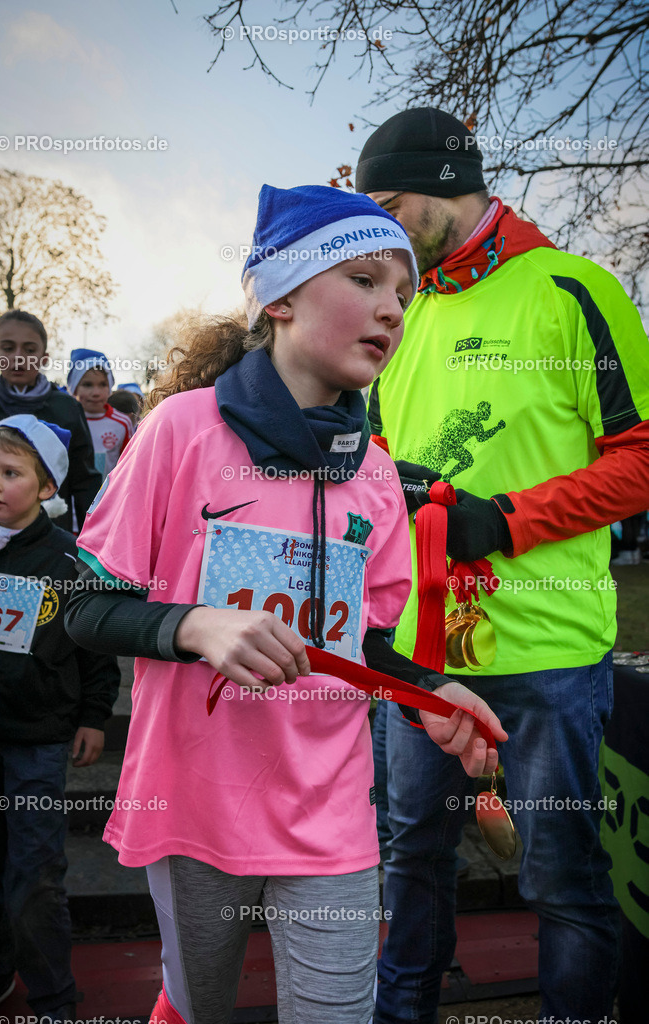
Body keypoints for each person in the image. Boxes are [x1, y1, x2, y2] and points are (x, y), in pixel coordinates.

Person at [64, 183, 507, 1024]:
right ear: (281, 296)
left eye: (403, 295)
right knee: (200, 1008)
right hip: (193, 800)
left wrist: (427, 693)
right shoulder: (180, 431)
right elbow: (84, 607)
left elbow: (363, 644)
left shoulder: (376, 472)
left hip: (331, 810)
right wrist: (194, 623)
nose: (392, 311)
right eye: (366, 281)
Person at [355, 106, 649, 1023]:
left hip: (547, 651)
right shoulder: (400, 315)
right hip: (422, 655)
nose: (381, 228)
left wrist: (506, 520)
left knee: (558, 872)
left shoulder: (570, 288)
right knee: (411, 852)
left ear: (446, 185)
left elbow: (639, 453)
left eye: (390, 204)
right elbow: (385, 475)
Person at [0, 414, 120, 1024]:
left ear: (48, 487)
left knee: (34, 874)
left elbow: (95, 644)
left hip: (40, 738)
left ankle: (54, 996)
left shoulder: (68, 559)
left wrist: (92, 716)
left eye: (11, 472)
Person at [0, 311, 101, 533]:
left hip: (51, 538)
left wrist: (93, 539)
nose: (19, 357)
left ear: (44, 357)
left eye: (29, 350)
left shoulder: (67, 408)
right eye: (8, 348)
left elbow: (84, 479)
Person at [67, 348, 133, 479]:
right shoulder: (64, 421)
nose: (96, 392)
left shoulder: (122, 423)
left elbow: (129, 468)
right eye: (87, 385)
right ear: (74, 388)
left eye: (103, 384)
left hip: (108, 497)